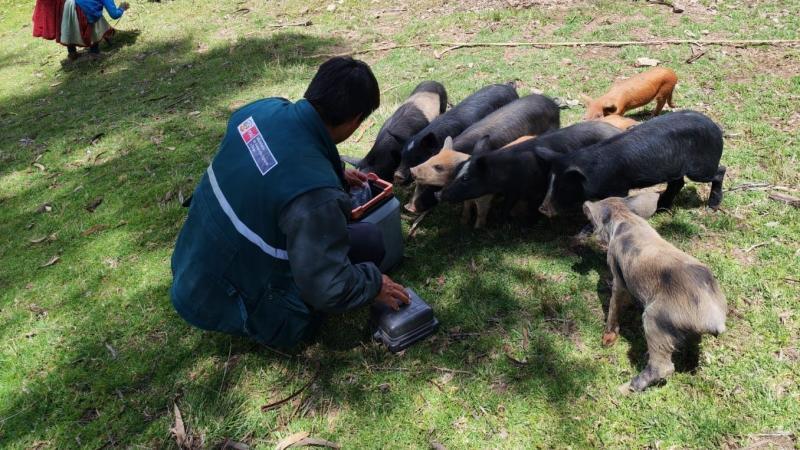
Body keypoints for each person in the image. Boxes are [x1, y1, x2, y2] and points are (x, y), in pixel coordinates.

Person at [170, 57, 411, 349]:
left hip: (193, 264)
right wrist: (373, 285)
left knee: (362, 237)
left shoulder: (258, 112)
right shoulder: (316, 196)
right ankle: (278, 320)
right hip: (225, 299)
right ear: (355, 120)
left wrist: (335, 171)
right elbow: (327, 287)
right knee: (369, 244)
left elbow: (275, 162)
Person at [59, 0, 129, 57]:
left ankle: (72, 52)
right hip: (83, 9)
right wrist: (122, 8)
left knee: (71, 27)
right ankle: (94, 51)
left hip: (68, 4)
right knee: (96, 22)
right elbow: (114, 14)